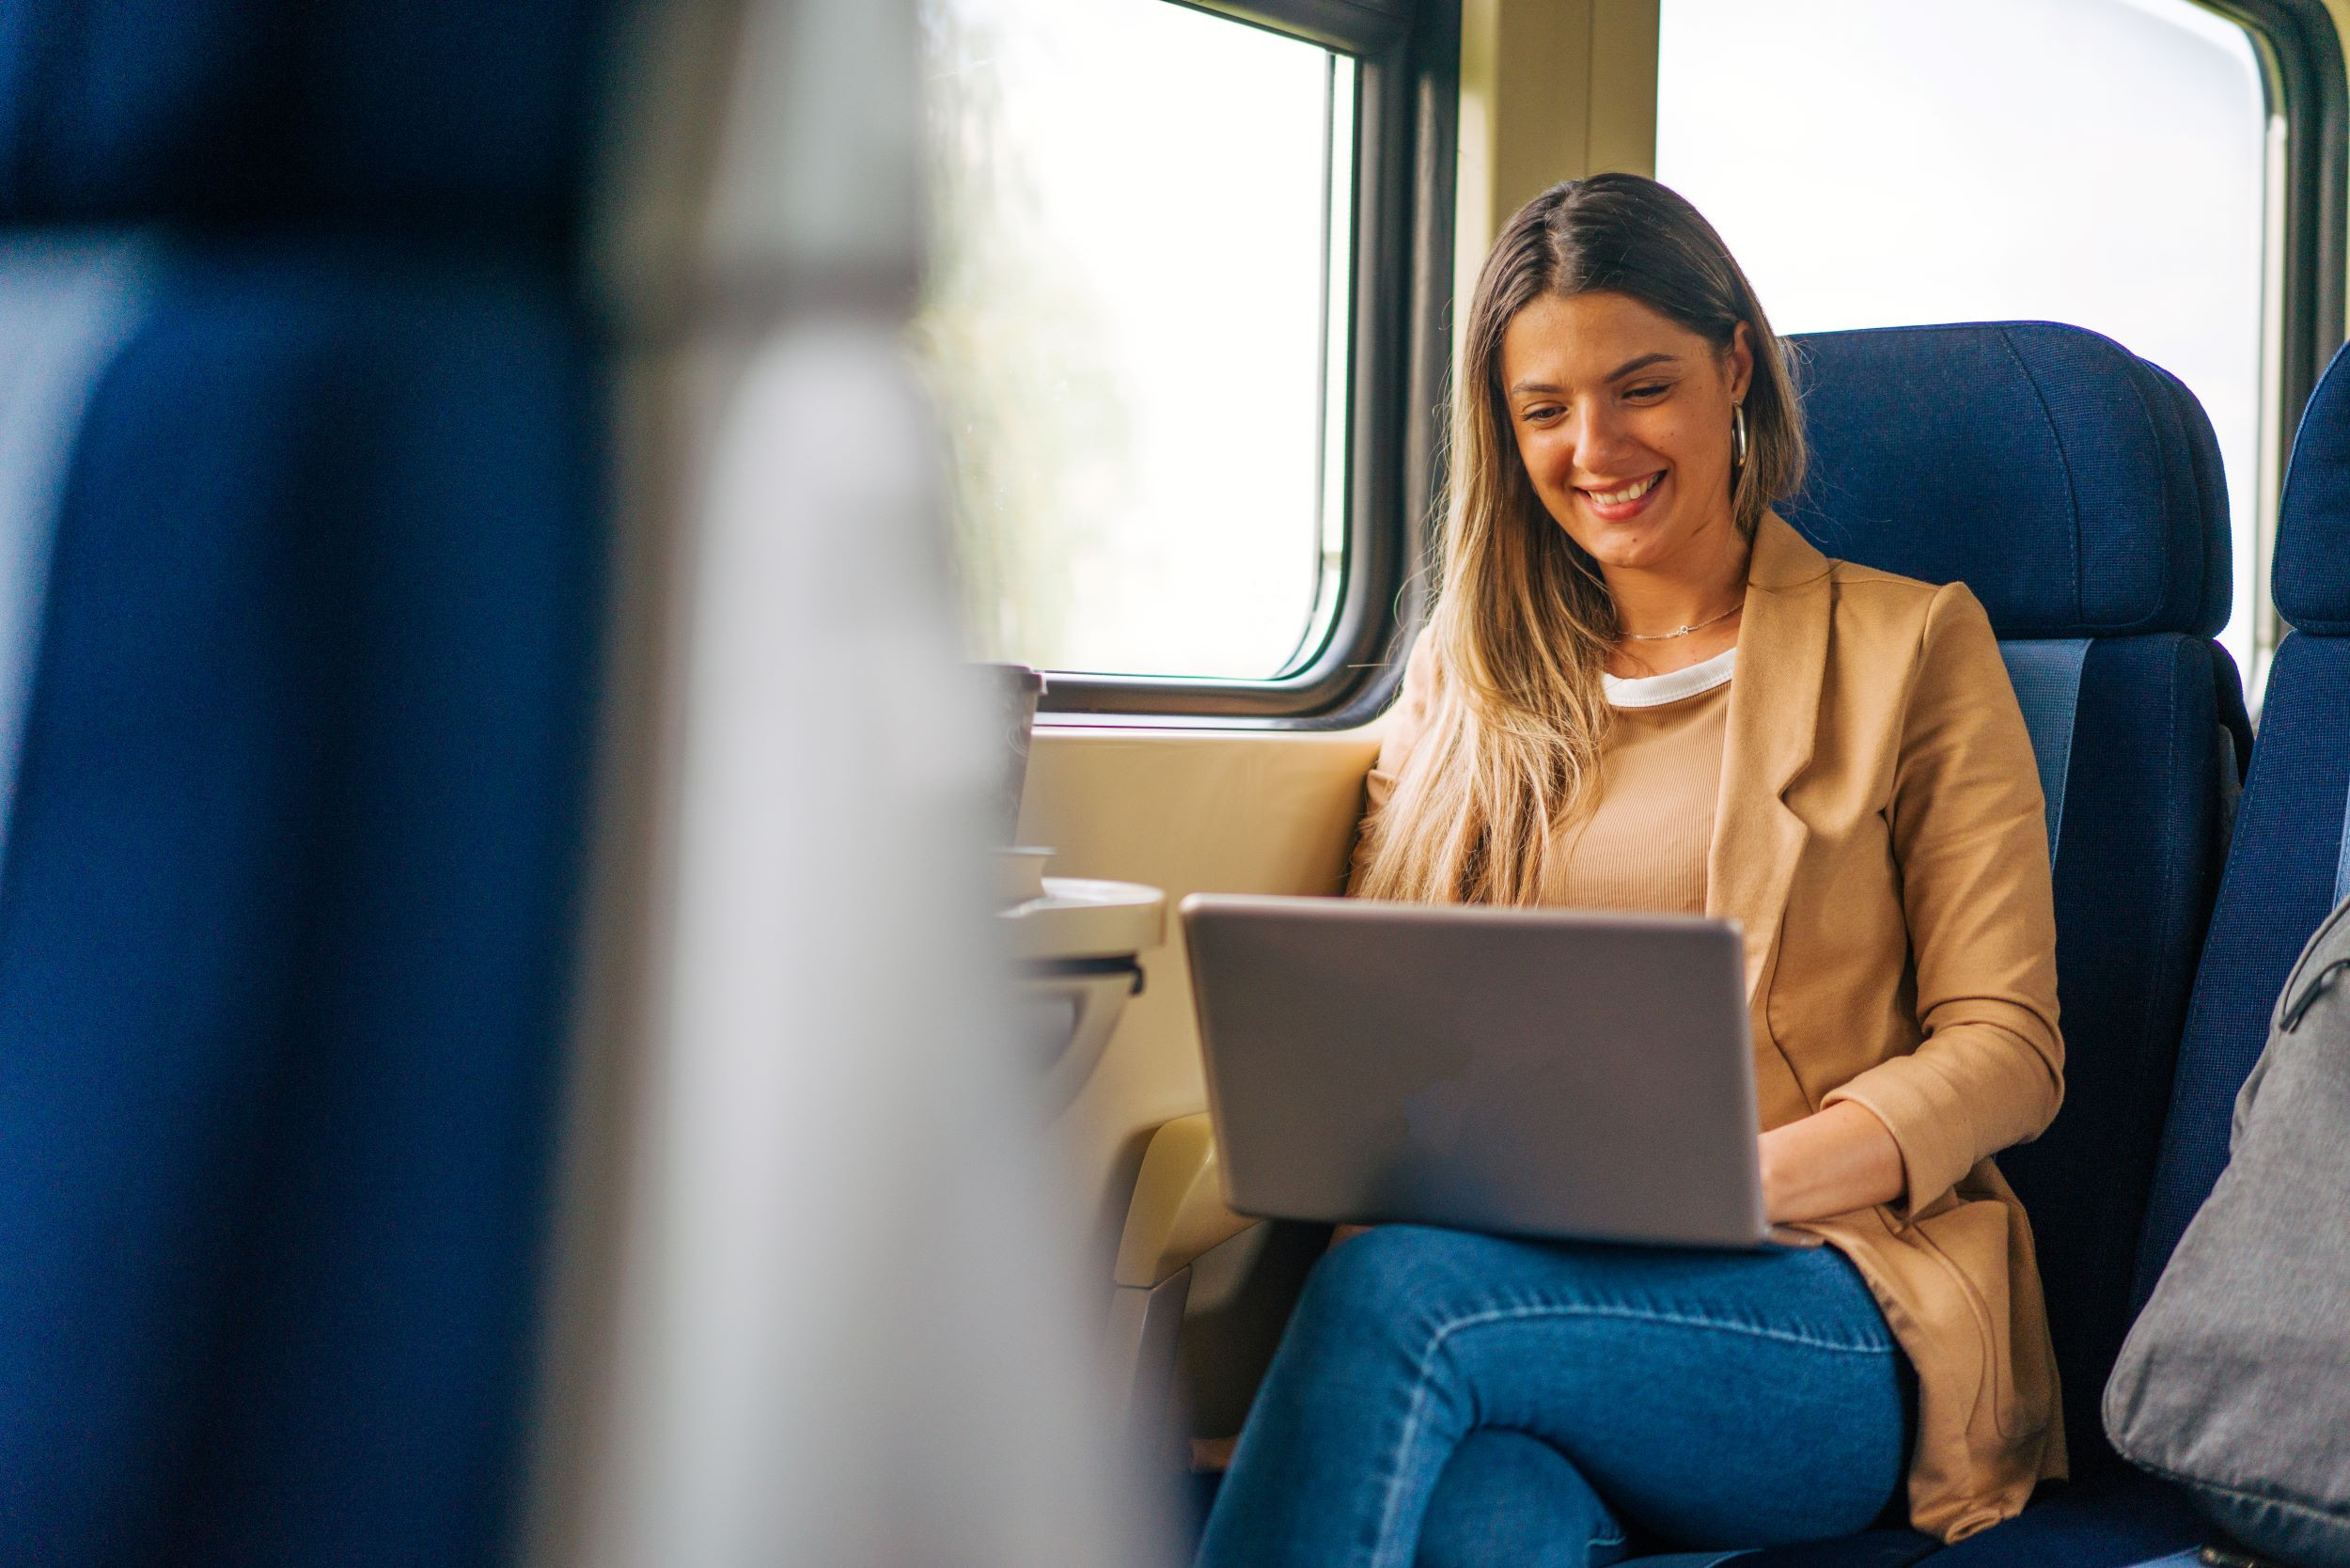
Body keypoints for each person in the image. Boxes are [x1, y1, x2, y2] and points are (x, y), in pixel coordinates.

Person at [1192, 174, 2066, 1566]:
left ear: (1734, 369)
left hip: (1820, 1297)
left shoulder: (1911, 649)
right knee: (1488, 1520)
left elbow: (2009, 1049)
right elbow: (1376, 1035)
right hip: (1522, 1293)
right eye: (1544, 411)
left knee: (1395, 1300)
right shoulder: (1460, 690)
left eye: (1638, 388)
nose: (1593, 446)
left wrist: (1732, 1182)